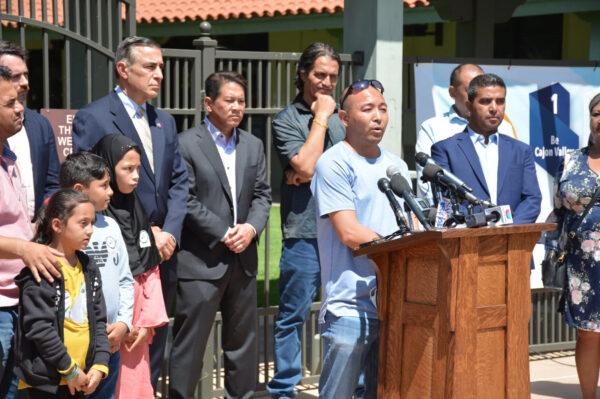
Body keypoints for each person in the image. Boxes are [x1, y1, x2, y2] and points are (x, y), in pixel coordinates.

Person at [72, 36, 188, 387]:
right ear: (123, 69)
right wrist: (141, 233)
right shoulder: (93, 118)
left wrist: (168, 232)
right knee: (119, 351)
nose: (159, 75)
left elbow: (179, 182)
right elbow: (89, 188)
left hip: (162, 251)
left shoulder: (165, 121)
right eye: (150, 67)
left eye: (161, 68)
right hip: (121, 254)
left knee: (153, 350)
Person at [170, 72, 271, 399]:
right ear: (208, 102)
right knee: (190, 348)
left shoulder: (253, 145)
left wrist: (251, 228)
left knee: (242, 347)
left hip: (242, 262)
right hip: (201, 262)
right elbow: (184, 198)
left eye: (242, 101)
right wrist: (225, 231)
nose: (237, 107)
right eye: (230, 100)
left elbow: (262, 195)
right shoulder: (186, 143)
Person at [310, 79, 410, 398]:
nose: (378, 116)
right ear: (344, 118)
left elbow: (411, 228)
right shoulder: (334, 163)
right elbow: (350, 232)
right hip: (350, 307)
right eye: (367, 109)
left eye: (382, 108)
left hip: (395, 304)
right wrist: (399, 246)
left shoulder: (397, 166)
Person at [268, 42, 345, 399]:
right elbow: (306, 167)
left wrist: (305, 168)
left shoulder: (346, 119)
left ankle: (344, 386)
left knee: (344, 313)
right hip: (305, 234)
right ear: (302, 74)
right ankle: (284, 390)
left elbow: (352, 168)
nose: (327, 82)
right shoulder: (286, 120)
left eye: (332, 76)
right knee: (292, 317)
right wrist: (322, 118)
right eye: (319, 75)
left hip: (344, 232)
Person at [0, 64, 65, 398]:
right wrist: (25, 249)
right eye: (10, 102)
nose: (20, 107)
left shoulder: (8, 156)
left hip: (17, 298)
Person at [92, 134, 169, 399]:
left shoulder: (138, 210)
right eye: (127, 169)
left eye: (138, 168)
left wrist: (145, 324)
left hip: (138, 326)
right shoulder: (93, 220)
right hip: (106, 326)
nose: (136, 176)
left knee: (135, 386)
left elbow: (151, 270)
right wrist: (119, 322)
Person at [13, 189, 110, 398]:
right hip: (46, 385)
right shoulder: (42, 269)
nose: (90, 230)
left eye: (92, 223)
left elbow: (99, 320)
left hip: (81, 380)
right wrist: (70, 370)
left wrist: (100, 364)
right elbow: (39, 328)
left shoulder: (89, 267)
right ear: (57, 225)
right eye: (83, 223)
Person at [59, 152, 135, 399]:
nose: (111, 191)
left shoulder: (111, 226)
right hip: (72, 352)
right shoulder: (60, 232)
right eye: (103, 185)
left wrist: (124, 323)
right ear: (80, 189)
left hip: (109, 346)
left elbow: (125, 279)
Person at [431, 73, 541, 224]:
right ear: (469, 107)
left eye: (500, 101)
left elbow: (532, 200)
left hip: (512, 242)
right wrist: (480, 228)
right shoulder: (445, 150)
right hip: (467, 242)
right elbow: (446, 202)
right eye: (486, 101)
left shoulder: (521, 151)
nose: (494, 108)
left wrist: (508, 231)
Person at [547, 93, 600, 399]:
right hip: (583, 265)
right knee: (588, 334)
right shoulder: (570, 160)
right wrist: (552, 253)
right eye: (596, 112)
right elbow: (558, 211)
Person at [415, 63, 513, 197]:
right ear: (452, 92)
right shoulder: (432, 128)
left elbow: (513, 180)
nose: (476, 95)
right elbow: (427, 184)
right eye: (470, 90)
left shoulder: (504, 128)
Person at [0, 40, 60, 220]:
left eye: (26, 74)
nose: (25, 83)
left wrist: (41, 222)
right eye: (15, 76)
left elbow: (53, 183)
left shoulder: (40, 125)